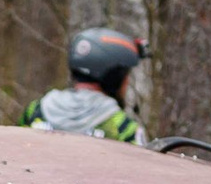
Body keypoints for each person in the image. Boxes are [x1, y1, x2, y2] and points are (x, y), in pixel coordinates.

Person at [21, 28, 149, 143]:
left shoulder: (37, 110)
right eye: (126, 76)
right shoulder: (122, 126)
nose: (126, 83)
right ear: (114, 76)